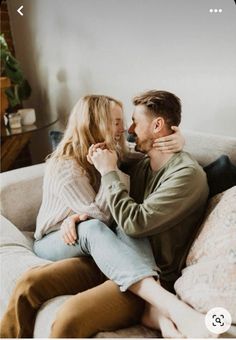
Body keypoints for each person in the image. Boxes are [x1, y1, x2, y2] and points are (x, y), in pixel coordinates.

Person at [0, 91, 211, 339]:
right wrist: (75, 216)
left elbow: (134, 223)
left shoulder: (187, 175)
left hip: (150, 274)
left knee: (68, 319)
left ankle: (161, 305)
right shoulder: (140, 164)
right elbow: (114, 174)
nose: (129, 129)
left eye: (134, 122)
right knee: (29, 285)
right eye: (122, 122)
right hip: (109, 256)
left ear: (157, 125)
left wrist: (109, 172)